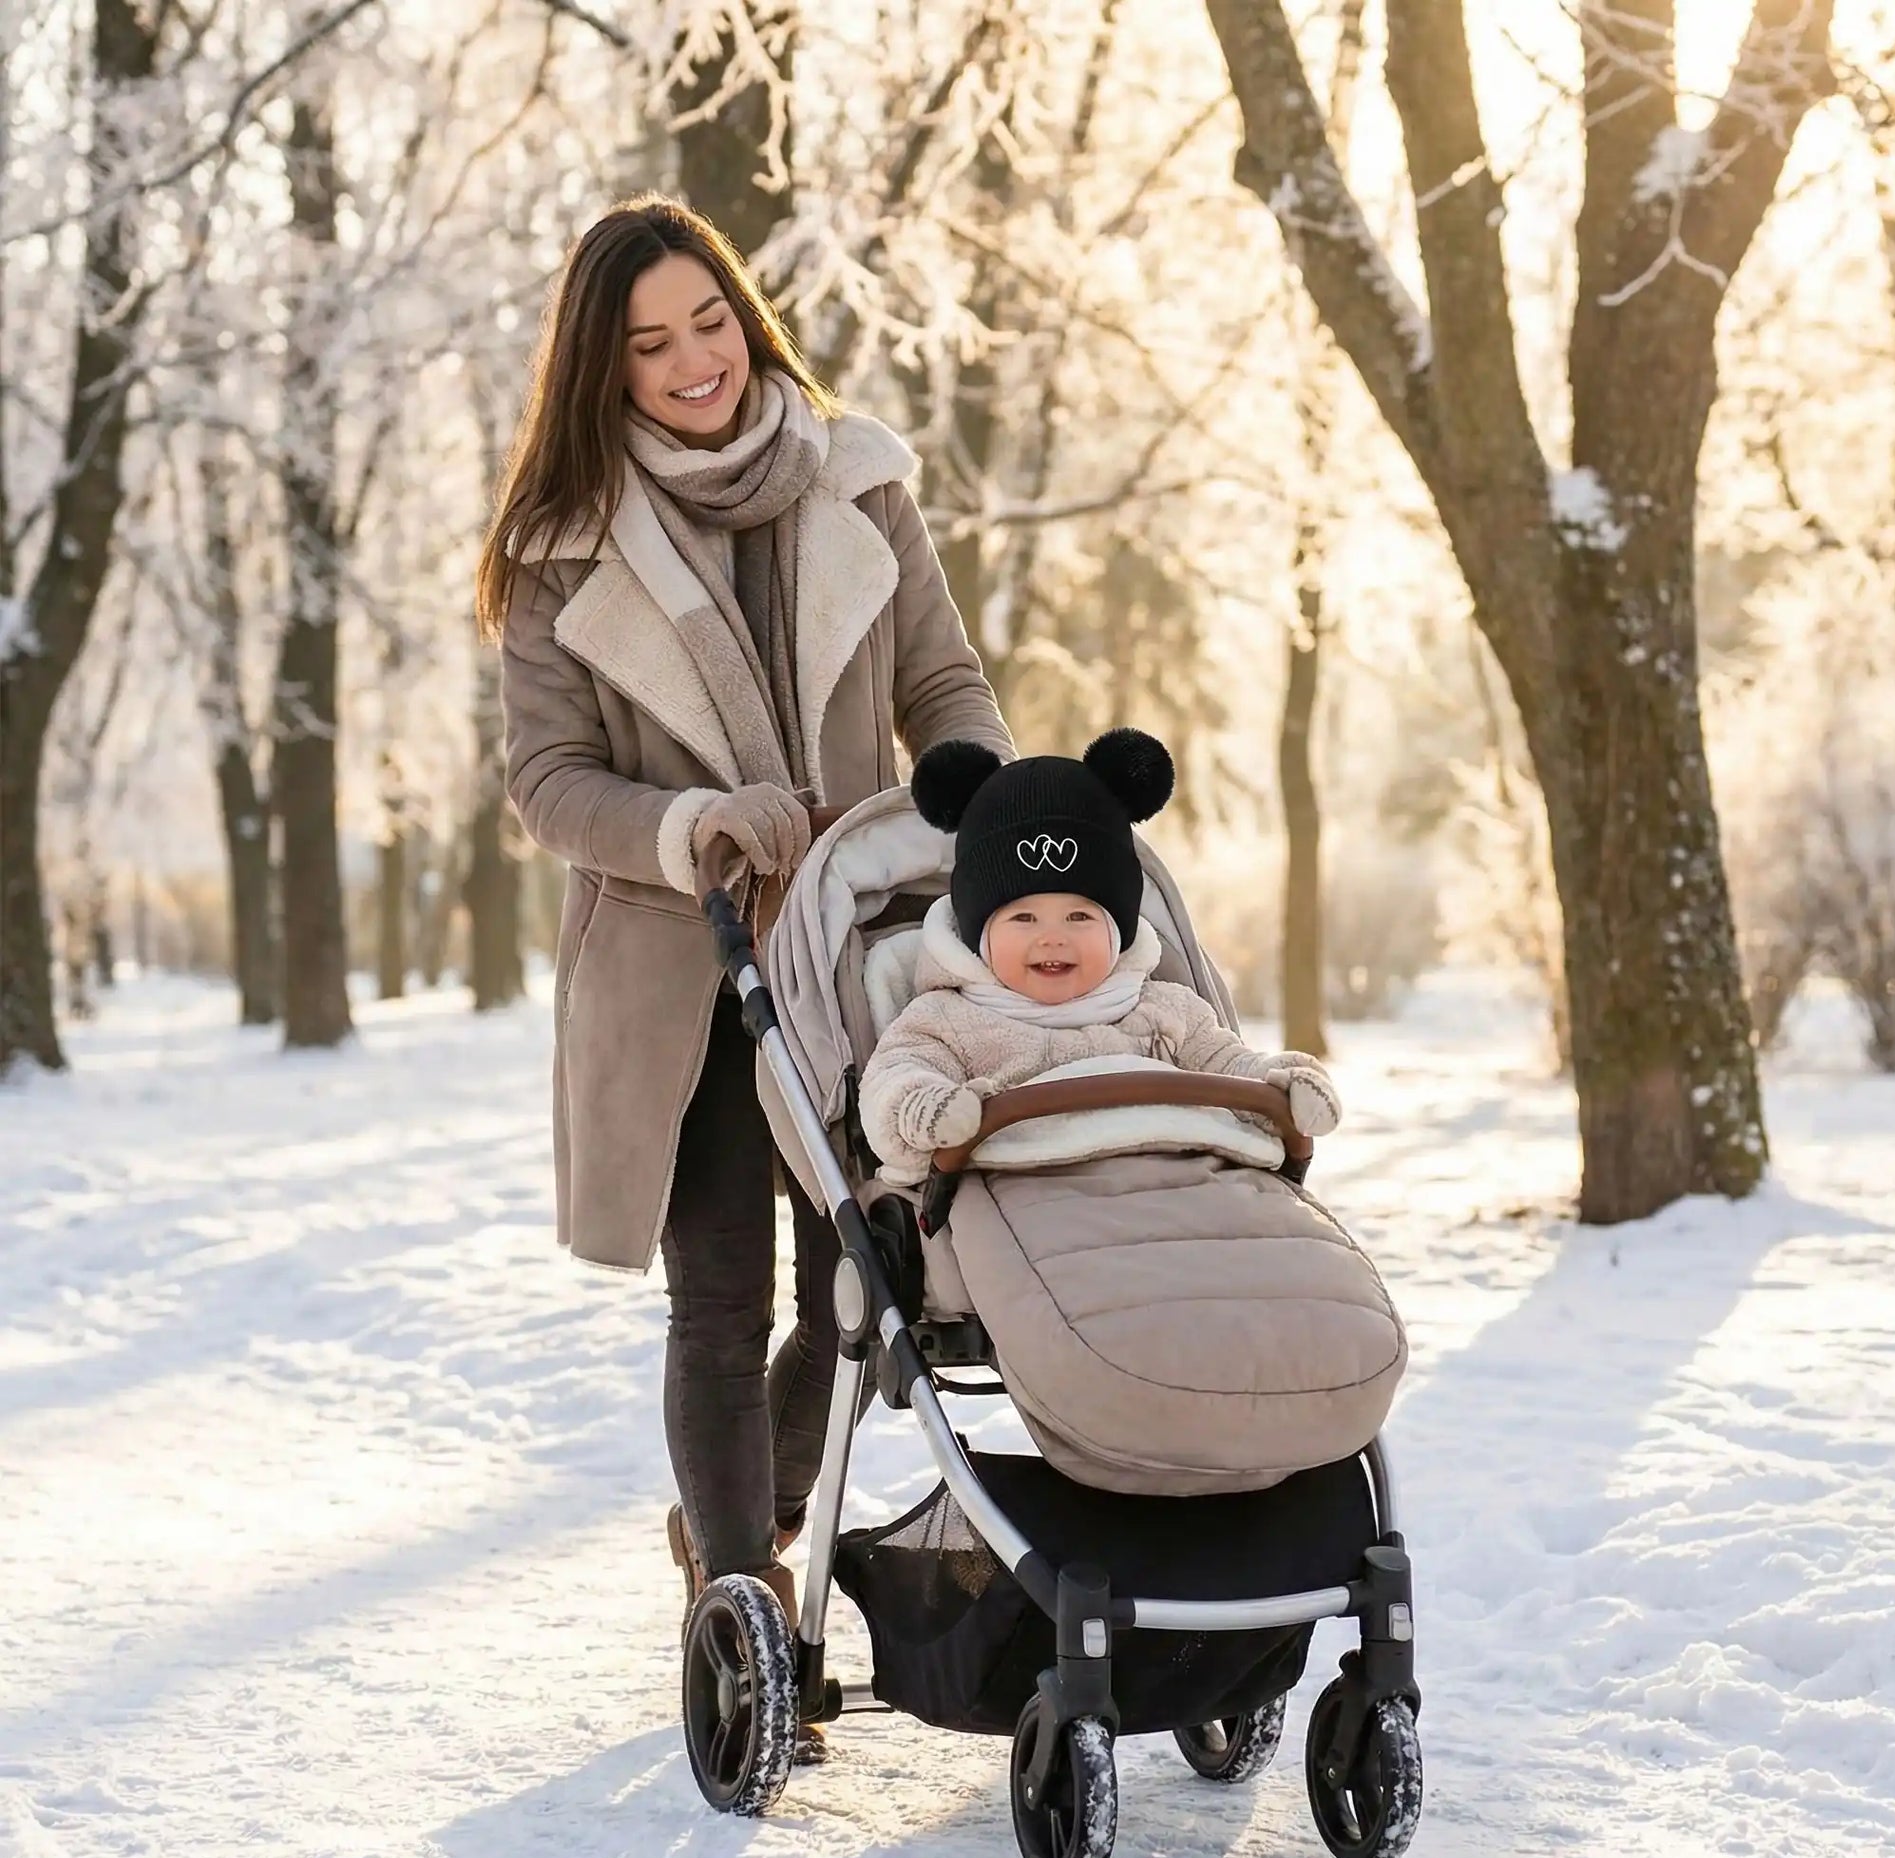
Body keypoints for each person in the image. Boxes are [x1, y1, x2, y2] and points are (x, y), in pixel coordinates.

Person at [478, 197, 1012, 1730]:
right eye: (649, 343)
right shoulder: (554, 553)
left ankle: (744, 1524)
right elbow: (548, 782)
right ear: (607, 370)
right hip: (682, 966)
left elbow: (942, 679)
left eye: (707, 320)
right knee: (717, 1296)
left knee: (869, 1277)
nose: (691, 359)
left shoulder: (860, 480)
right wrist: (694, 820)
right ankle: (738, 1588)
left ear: (744, 313)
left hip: (853, 948)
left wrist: (971, 794)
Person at [859, 730, 1340, 1181]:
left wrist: (1281, 1087)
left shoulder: (1164, 1011)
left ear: (1117, 934)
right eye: (1023, 919)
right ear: (978, 939)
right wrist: (924, 1108)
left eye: (1080, 918)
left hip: (1184, 1190)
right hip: (1024, 1201)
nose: (1052, 939)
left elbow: (1228, 1064)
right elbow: (896, 1077)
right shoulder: (946, 1021)